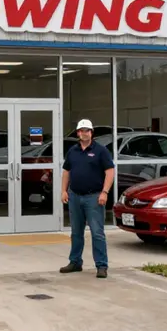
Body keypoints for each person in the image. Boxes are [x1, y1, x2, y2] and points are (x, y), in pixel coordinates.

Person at [60, 119, 114, 278]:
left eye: (87, 130)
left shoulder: (101, 151)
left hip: (94, 197)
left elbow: (110, 171)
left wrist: (105, 192)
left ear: (92, 133)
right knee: (76, 232)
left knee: (97, 232)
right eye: (82, 130)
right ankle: (75, 262)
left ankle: (101, 266)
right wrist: (64, 190)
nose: (84, 133)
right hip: (75, 196)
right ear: (78, 133)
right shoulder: (73, 151)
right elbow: (66, 172)